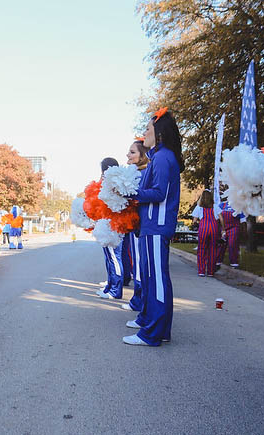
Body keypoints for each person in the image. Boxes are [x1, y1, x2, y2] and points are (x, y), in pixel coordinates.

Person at [123, 107, 183, 347]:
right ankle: (154, 325)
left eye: (148, 129)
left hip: (158, 226)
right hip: (151, 226)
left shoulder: (163, 157)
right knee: (150, 278)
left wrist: (132, 193)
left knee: (156, 279)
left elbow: (159, 193)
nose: (144, 133)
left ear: (158, 133)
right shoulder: (160, 156)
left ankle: (153, 333)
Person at [121, 139, 149, 313]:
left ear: (142, 156)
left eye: (132, 152)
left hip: (141, 225)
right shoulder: (136, 173)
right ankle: (137, 300)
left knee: (139, 264)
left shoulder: (141, 174)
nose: (128, 155)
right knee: (137, 263)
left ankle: (139, 302)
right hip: (135, 225)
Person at [96, 158, 124, 300]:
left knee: (114, 258)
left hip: (114, 225)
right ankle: (110, 286)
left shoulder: (116, 182)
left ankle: (116, 290)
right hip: (107, 224)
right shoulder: (109, 182)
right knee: (110, 257)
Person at [192, 189, 219, 277]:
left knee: (202, 249)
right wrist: (222, 229)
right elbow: (221, 218)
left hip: (203, 228)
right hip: (214, 228)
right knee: (212, 250)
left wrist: (195, 225)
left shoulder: (199, 207)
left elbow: (194, 220)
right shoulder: (215, 206)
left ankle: (201, 271)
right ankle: (211, 272)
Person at [216, 200, 243, 268]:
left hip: (234, 229)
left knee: (233, 245)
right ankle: (217, 262)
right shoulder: (222, 205)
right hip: (223, 228)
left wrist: (244, 232)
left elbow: (243, 220)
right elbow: (217, 217)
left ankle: (234, 263)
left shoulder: (239, 206)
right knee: (221, 244)